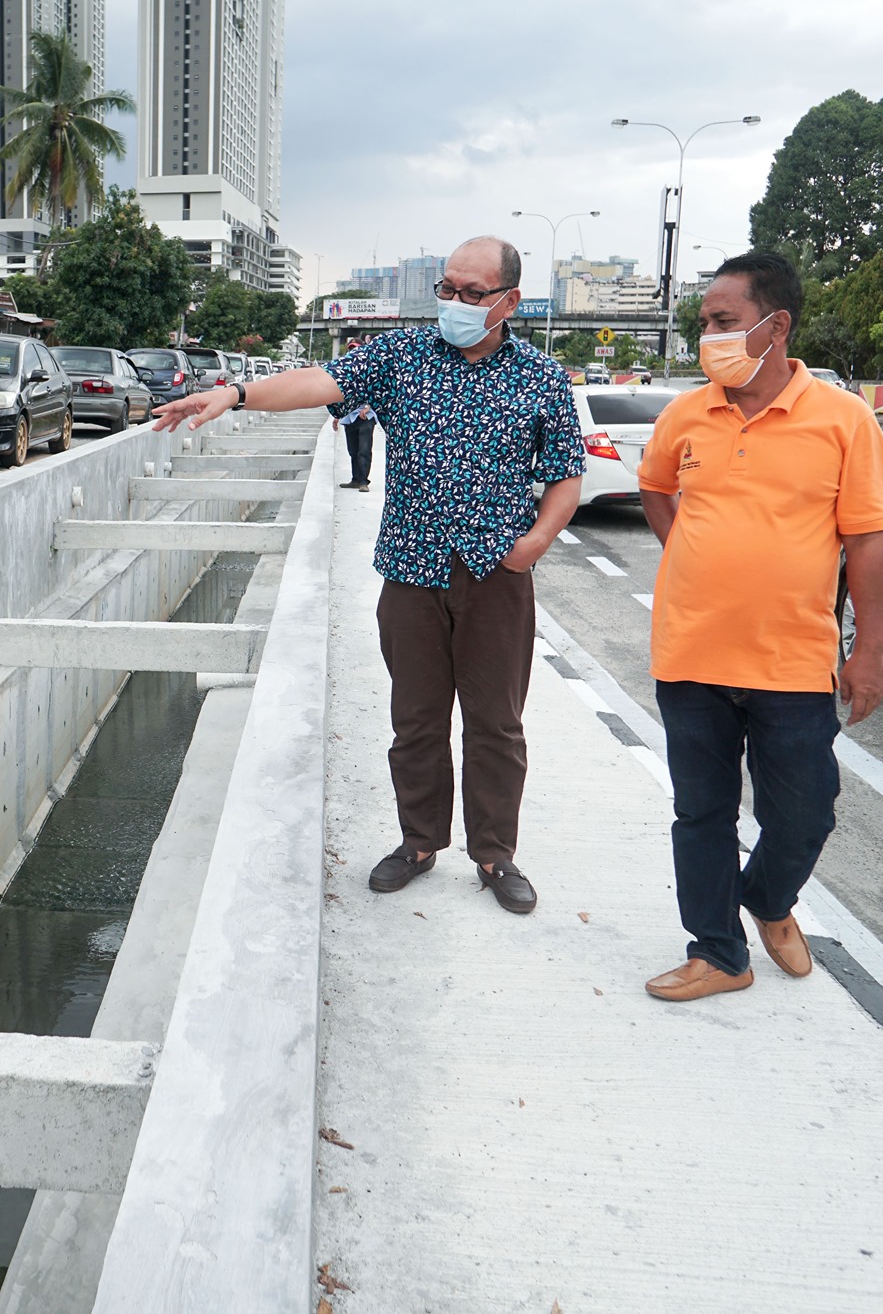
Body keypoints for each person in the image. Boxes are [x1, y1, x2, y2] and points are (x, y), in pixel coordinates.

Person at [154, 237, 584, 913]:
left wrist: (533, 543)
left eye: (473, 293)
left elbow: (565, 474)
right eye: (448, 288)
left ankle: (495, 854)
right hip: (411, 571)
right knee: (414, 719)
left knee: (496, 724)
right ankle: (418, 842)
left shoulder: (541, 376)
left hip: (496, 576)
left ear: (509, 301)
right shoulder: (400, 356)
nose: (456, 302)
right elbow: (318, 382)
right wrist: (235, 393)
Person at [635, 250, 883, 1002]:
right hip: (690, 655)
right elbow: (655, 488)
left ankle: (769, 896)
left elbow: (869, 543)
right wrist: (690, 551)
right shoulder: (689, 411)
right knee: (703, 813)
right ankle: (719, 951)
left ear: (775, 325)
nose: (706, 337)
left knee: (807, 811)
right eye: (703, 323)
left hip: (793, 663)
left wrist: (869, 652)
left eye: (723, 322)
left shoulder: (843, 420)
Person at [334, 398, 377, 490]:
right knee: (353, 451)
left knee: (364, 450)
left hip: (366, 417)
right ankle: (355, 480)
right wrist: (337, 416)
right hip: (349, 418)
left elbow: (376, 394)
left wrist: (367, 407)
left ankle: (363, 481)